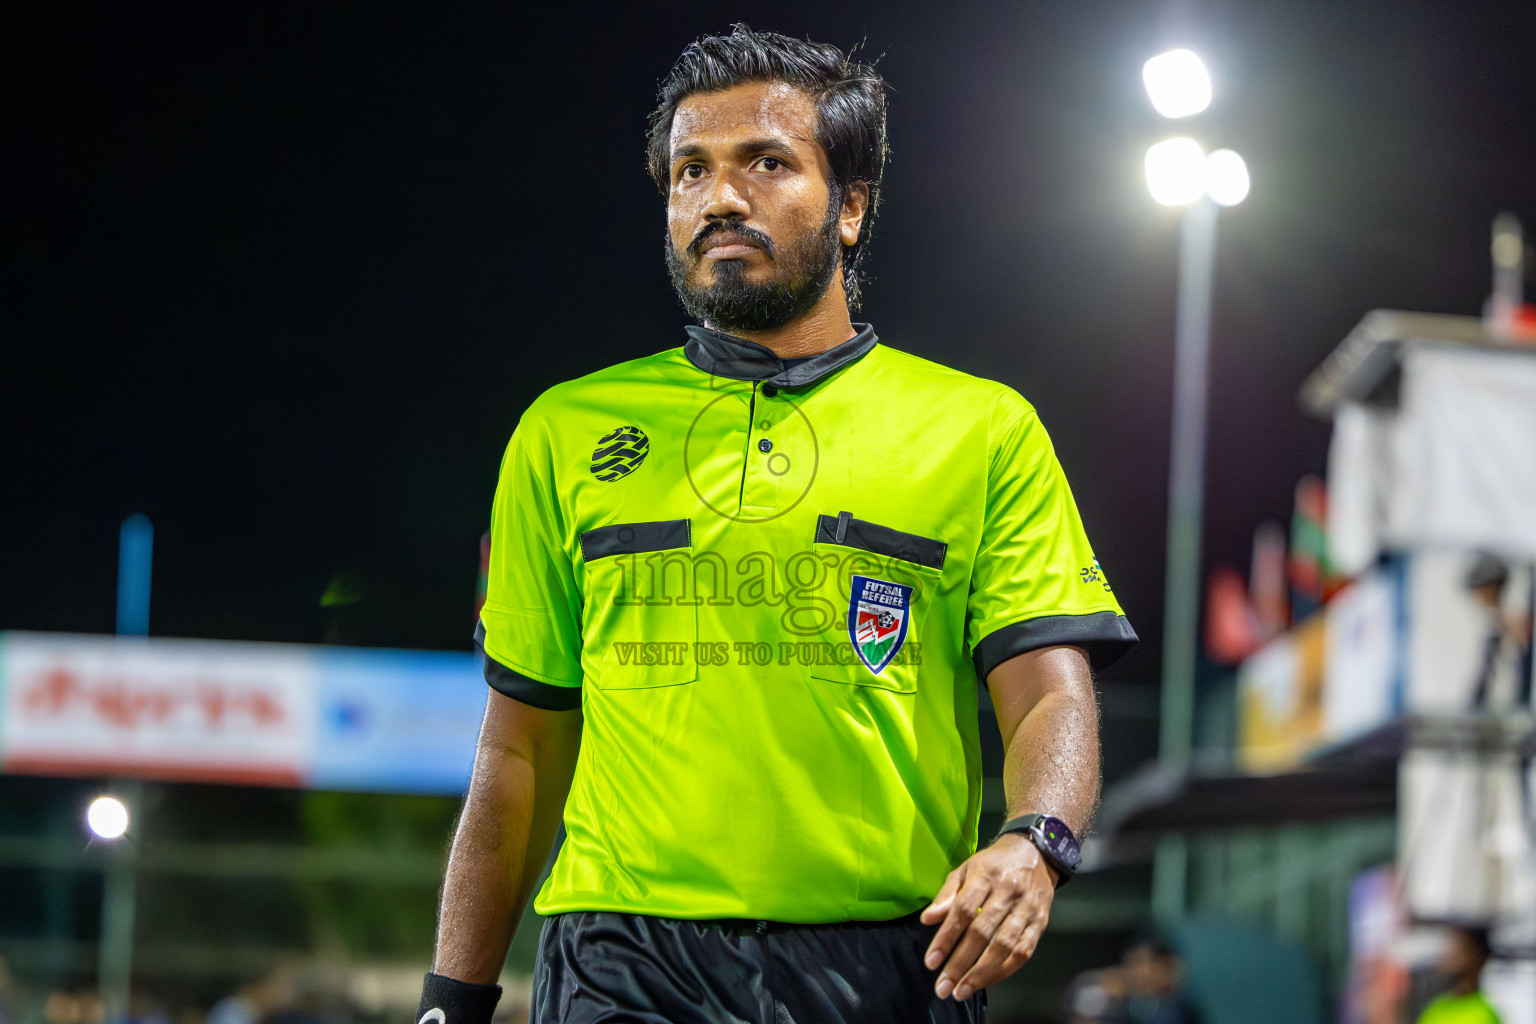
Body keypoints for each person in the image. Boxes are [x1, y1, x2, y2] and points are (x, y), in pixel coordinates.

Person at [417, 24, 1135, 1024]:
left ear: (850, 207)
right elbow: (518, 754)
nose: (719, 198)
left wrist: (1035, 839)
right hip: (621, 957)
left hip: (885, 965)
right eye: (690, 172)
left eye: (766, 163)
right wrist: (451, 997)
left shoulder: (978, 428)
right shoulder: (563, 430)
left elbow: (1048, 696)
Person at [1417, 927, 1501, 1024]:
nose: (1451, 956)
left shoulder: (1485, 1013)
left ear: (1477, 957)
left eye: (1460, 950)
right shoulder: (1436, 1007)